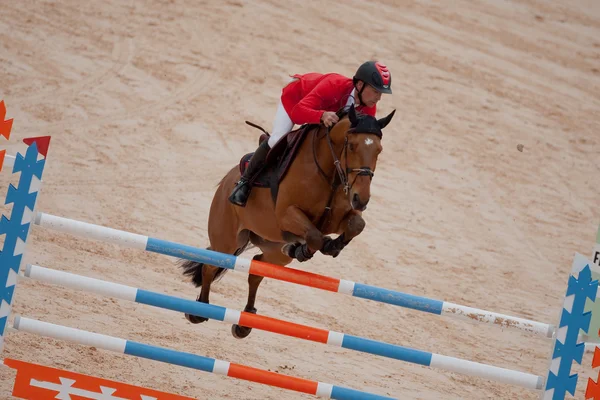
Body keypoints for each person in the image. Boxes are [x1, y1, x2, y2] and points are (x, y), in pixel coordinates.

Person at [228, 60, 392, 207]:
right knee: (277, 139)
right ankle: (244, 183)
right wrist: (320, 115)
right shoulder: (334, 85)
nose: (378, 98)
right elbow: (297, 112)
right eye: (375, 91)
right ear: (360, 85)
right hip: (296, 98)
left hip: (322, 111)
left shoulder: (368, 106)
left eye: (381, 93)